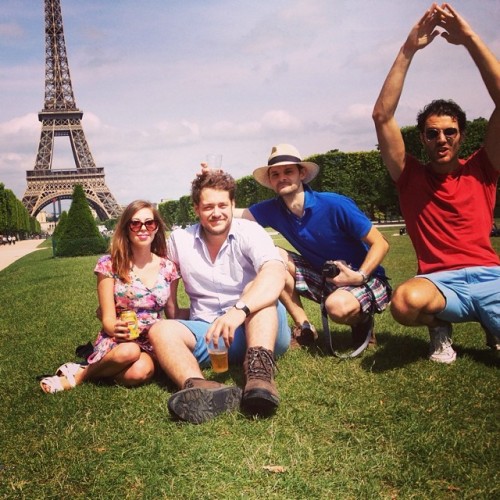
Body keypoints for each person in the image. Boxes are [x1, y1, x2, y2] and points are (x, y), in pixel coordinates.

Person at [372, 3, 500, 363]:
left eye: (449, 132)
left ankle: (490, 321)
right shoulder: (410, 175)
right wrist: (408, 48)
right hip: (438, 283)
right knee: (403, 303)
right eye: (432, 133)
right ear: (423, 139)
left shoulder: (484, 167)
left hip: (490, 276)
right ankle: (441, 324)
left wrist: (470, 39)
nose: (441, 139)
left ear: (461, 136)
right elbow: (382, 115)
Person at [148, 170, 290, 424]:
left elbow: (275, 273)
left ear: (233, 205)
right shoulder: (179, 240)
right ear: (196, 208)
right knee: (160, 331)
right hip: (210, 333)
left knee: (257, 292)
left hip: (258, 328)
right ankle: (199, 387)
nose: (216, 213)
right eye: (208, 206)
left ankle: (259, 377)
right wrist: (171, 314)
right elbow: (162, 279)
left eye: (223, 205)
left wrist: (238, 311)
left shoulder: (251, 231)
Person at [233, 143, 391, 351]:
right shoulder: (273, 209)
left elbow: (380, 243)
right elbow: (231, 212)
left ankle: (362, 321)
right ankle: (305, 327)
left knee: (337, 306)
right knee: (275, 257)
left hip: (365, 277)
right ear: (270, 181)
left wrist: (359, 275)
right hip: (324, 277)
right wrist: (211, 186)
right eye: (275, 174)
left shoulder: (335, 204)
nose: (282, 178)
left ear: (302, 173)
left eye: (288, 171)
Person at [40, 200, 180, 392]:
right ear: (126, 228)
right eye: (135, 223)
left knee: (140, 372)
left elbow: (173, 311)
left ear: (157, 228)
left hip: (153, 340)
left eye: (150, 223)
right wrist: (116, 329)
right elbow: (107, 319)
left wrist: (208, 318)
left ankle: (90, 368)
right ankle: (81, 376)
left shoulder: (168, 267)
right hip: (120, 339)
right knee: (129, 351)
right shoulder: (109, 265)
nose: (143, 228)